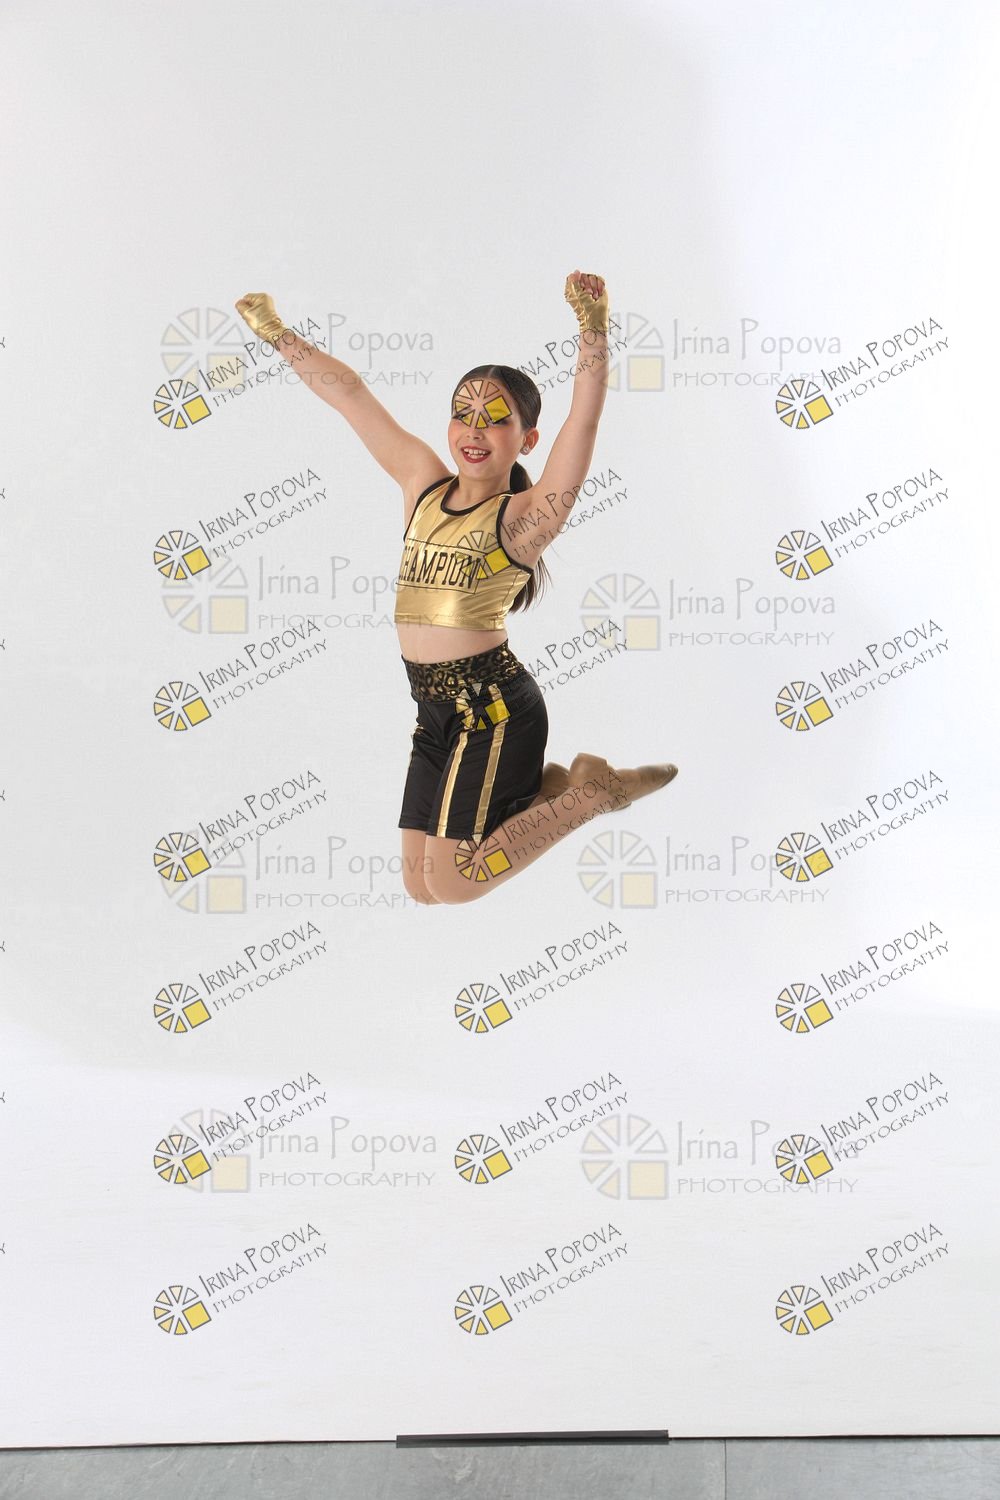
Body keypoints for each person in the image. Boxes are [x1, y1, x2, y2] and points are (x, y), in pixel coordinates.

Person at [234, 270, 677, 905]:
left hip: (492, 709)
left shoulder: (526, 519)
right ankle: (550, 793)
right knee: (420, 887)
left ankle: (591, 795)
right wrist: (277, 333)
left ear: (526, 440)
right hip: (432, 710)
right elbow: (353, 398)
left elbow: (582, 422)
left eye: (495, 420)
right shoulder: (423, 485)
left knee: (454, 880)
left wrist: (593, 328)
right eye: (462, 414)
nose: (474, 429)